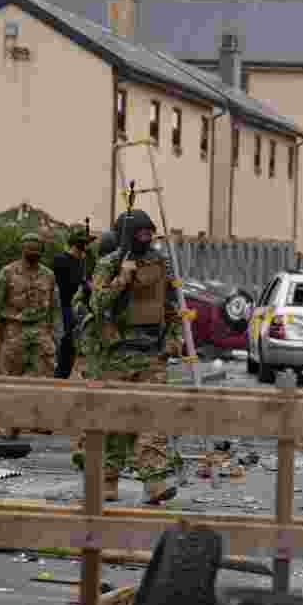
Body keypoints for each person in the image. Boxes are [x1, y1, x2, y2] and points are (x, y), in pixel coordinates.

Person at [71, 209, 185, 504]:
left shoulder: (161, 264)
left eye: (150, 233)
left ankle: (155, 482)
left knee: (153, 416)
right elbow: (97, 303)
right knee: (115, 420)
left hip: (151, 353)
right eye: (140, 233)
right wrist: (122, 278)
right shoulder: (109, 264)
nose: (147, 238)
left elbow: (171, 305)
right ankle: (107, 480)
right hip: (115, 355)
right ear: (126, 234)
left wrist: (174, 339)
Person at [0, 231, 63, 437]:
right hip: (14, 331)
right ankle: (9, 425)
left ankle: (39, 420)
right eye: (28, 249)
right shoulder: (8, 272)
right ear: (22, 250)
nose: (32, 253)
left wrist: (57, 333)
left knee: (44, 378)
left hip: (40, 330)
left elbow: (56, 307)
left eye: (36, 250)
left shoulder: (48, 275)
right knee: (10, 380)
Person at [53, 225, 95, 379]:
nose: (86, 247)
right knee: (63, 347)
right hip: (62, 309)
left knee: (71, 350)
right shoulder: (60, 260)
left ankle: (63, 377)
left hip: (76, 310)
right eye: (84, 243)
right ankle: (57, 378)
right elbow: (59, 287)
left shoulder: (83, 262)